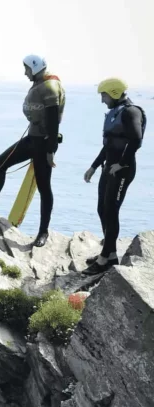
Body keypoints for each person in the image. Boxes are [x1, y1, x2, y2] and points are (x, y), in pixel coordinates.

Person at [0, 55, 65, 247]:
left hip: (43, 143)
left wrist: (51, 149)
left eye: (27, 69)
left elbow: (53, 121)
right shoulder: (40, 83)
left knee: (44, 187)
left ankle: (43, 232)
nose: (25, 73)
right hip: (31, 139)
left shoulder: (50, 87)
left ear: (35, 68)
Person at [82, 78, 146, 275]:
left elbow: (136, 140)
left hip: (122, 170)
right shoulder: (115, 113)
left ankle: (104, 260)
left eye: (104, 95)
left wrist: (122, 163)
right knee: (102, 209)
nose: (102, 100)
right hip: (109, 168)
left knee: (111, 211)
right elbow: (109, 144)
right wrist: (94, 166)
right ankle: (110, 253)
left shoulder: (130, 112)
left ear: (115, 93)